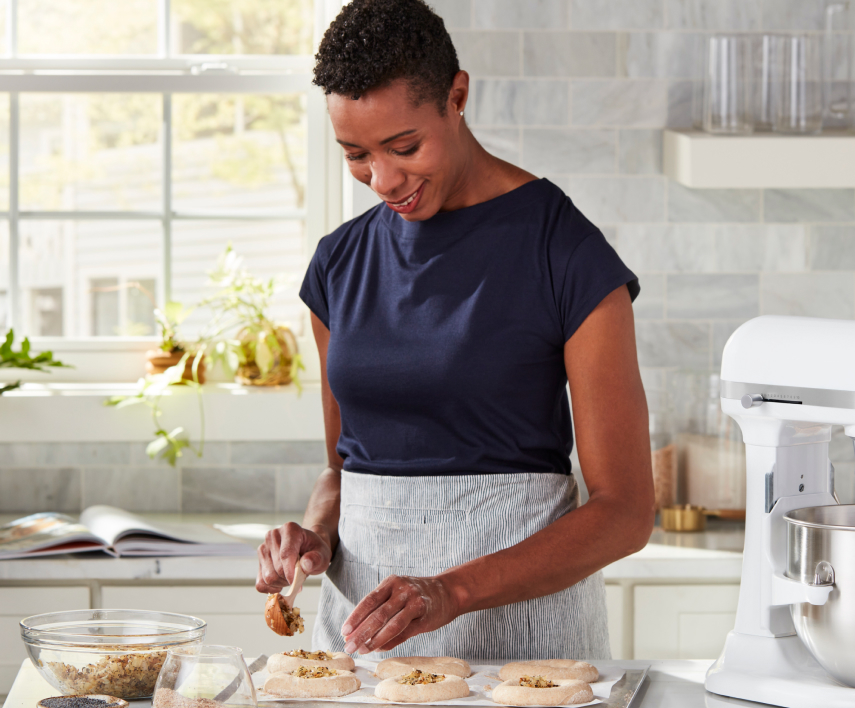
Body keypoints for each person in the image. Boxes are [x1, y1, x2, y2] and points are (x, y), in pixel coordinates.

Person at [255, 0, 653, 661]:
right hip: (364, 644)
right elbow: (343, 469)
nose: (383, 180)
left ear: (457, 96)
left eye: (405, 147)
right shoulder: (338, 264)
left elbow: (626, 512)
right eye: (356, 154)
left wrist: (451, 593)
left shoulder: (564, 251)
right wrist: (315, 538)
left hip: (527, 648)